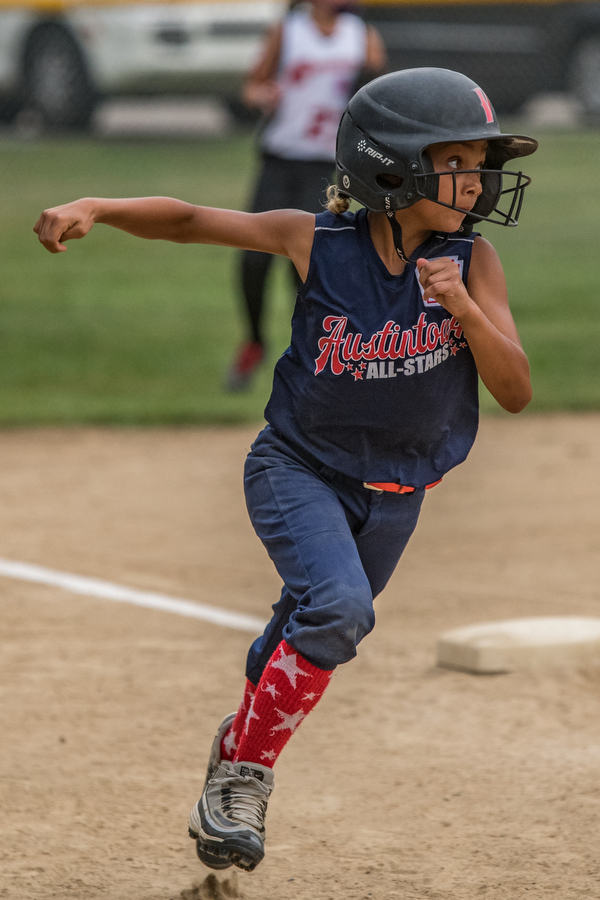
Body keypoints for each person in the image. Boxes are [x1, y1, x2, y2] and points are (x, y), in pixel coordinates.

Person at [34, 67, 537, 875]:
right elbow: (194, 222)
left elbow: (513, 391)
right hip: (299, 467)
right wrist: (99, 205)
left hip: (399, 493)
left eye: (481, 164)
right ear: (390, 166)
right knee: (337, 611)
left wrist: (465, 310)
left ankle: (233, 748)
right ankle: (242, 779)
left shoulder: (474, 263)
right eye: (458, 162)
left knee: (301, 630)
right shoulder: (318, 241)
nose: (476, 181)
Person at [226, 0, 387, 390]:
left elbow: (379, 92)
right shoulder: (289, 30)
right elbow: (252, 86)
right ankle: (253, 341)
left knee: (308, 263)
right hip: (280, 158)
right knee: (253, 258)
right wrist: (260, 94)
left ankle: (318, 352)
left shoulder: (362, 36)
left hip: (323, 165)